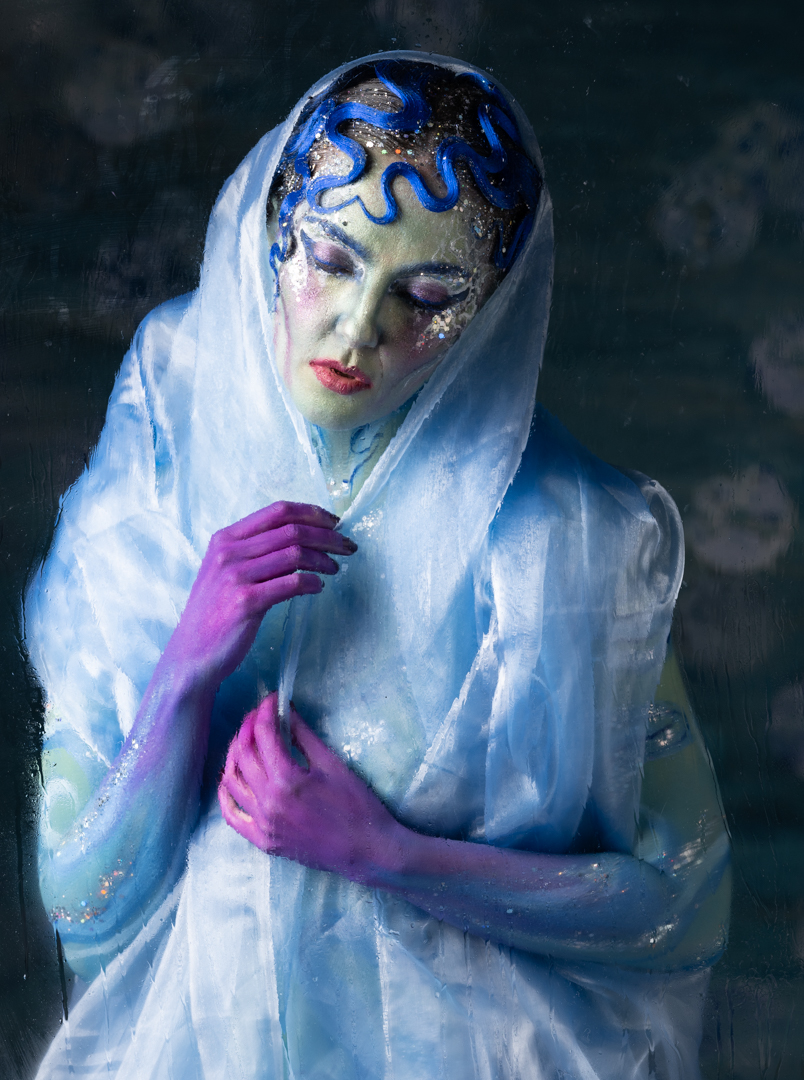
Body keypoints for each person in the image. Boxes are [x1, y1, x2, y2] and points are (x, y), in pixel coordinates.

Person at [26, 53, 730, 1080]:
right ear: (272, 234)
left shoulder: (570, 536)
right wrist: (184, 668)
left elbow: (683, 904)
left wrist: (391, 856)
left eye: (427, 295)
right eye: (328, 257)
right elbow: (82, 894)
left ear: (489, 310)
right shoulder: (170, 419)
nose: (356, 330)